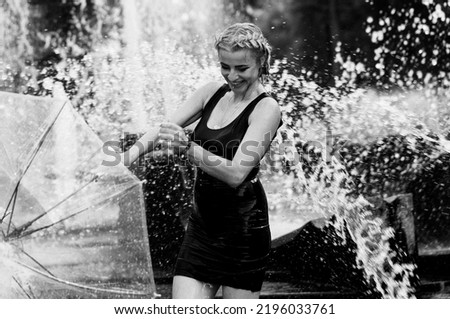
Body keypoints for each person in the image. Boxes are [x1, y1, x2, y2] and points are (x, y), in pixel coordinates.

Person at [121, 22, 282, 298]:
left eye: (241, 68)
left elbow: (236, 173)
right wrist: (124, 158)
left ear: (261, 62)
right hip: (202, 227)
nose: (232, 76)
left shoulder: (267, 108)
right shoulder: (211, 93)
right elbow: (163, 129)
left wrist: (187, 149)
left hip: (242, 233)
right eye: (225, 66)